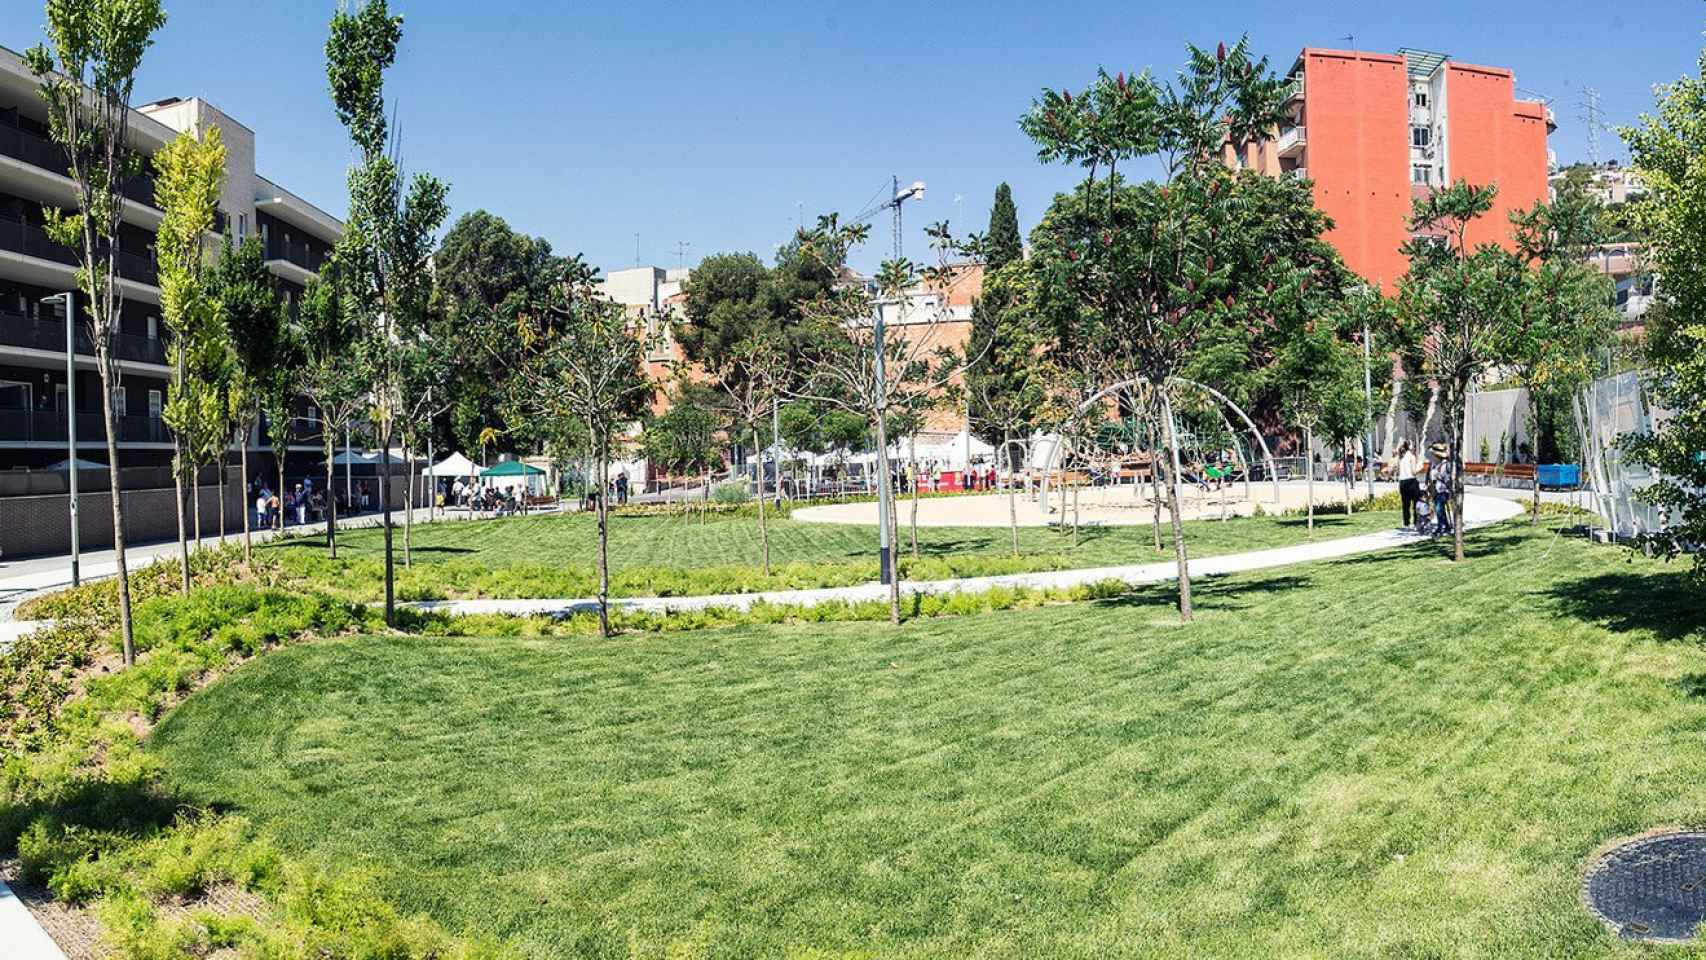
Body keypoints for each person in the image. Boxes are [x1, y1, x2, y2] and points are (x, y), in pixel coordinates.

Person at [1429, 442, 1455, 538]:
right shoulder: (1434, 464)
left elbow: (1449, 479)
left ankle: (1441, 527)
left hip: (1443, 490)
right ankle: (1446, 526)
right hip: (1436, 489)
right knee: (1439, 509)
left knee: (1439, 509)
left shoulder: (1446, 465)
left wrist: (1438, 476)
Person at [1396, 440, 1421, 530]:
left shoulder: (1400, 458)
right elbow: (1414, 472)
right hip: (1411, 481)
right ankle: (1415, 523)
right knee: (1416, 503)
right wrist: (1420, 467)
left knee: (1405, 504)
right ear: (1409, 447)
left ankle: (1406, 523)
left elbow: (1398, 471)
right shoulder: (1412, 457)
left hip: (1402, 482)